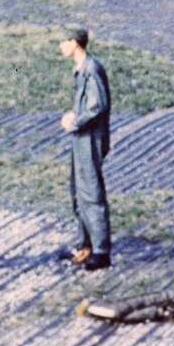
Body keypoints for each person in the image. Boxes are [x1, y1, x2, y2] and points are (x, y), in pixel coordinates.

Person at [55, 27, 113, 271]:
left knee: (91, 192)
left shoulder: (91, 69)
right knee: (79, 190)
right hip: (82, 137)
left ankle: (101, 251)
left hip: (89, 138)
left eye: (63, 41)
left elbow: (98, 105)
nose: (60, 46)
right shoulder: (82, 69)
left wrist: (74, 121)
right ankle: (86, 245)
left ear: (74, 42)